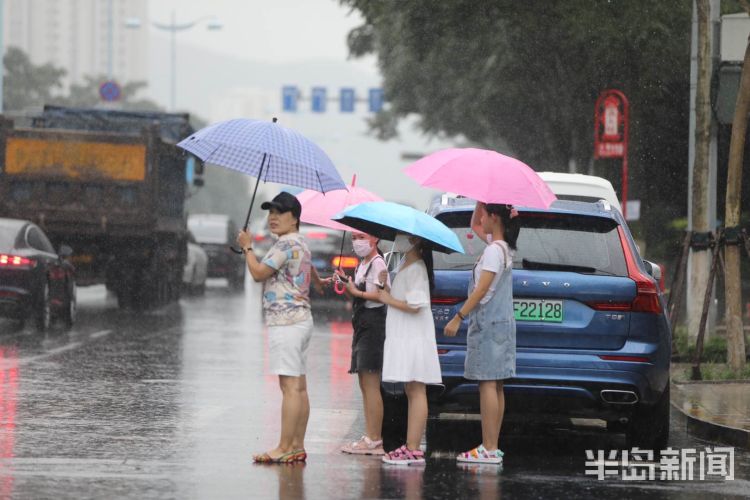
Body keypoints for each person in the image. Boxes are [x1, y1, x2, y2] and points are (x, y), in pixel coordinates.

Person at [237, 191, 330, 464]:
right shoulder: (301, 241)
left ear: (295, 218)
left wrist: (247, 247)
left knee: (289, 387)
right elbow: (306, 271)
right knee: (299, 387)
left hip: (286, 322)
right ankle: (296, 445)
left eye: (280, 212)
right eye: (270, 212)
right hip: (301, 320)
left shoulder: (284, 244)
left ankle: (284, 446)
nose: (273, 217)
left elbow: (257, 273)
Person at [443, 202, 520, 465]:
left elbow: (480, 291)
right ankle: (493, 446)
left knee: (487, 382)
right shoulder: (504, 248)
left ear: (495, 217)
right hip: (502, 323)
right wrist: (480, 200)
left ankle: (488, 447)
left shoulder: (492, 253)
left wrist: (458, 317)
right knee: (496, 383)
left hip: (487, 324)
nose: (482, 220)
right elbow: (475, 225)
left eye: (486, 214)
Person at [377, 233, 441, 466]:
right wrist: (385, 283)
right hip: (405, 335)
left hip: (413, 337)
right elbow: (400, 296)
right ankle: (410, 446)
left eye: (403, 236)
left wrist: (387, 298)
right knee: (411, 388)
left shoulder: (417, 267)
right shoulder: (406, 263)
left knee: (416, 389)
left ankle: (413, 448)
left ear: (416, 241)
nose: (398, 240)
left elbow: (415, 304)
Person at [337, 231, 390, 456]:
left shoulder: (379, 265)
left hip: (373, 328)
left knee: (371, 385)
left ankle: (374, 439)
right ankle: (370, 435)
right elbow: (359, 292)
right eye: (353, 238)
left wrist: (356, 291)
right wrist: (346, 283)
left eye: (361, 237)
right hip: (362, 326)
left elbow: (382, 295)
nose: (357, 242)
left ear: (375, 238)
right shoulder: (362, 264)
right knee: (364, 385)